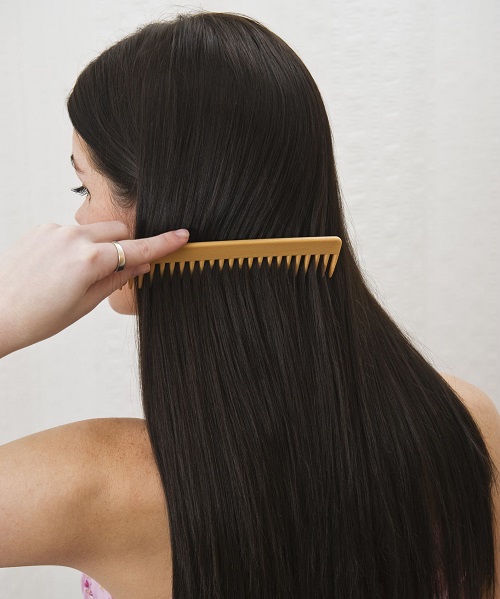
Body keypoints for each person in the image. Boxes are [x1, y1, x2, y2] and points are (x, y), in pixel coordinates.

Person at [0, 10, 498, 599]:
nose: (77, 219)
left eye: (85, 188)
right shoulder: (466, 422)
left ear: (163, 208)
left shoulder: (90, 485)